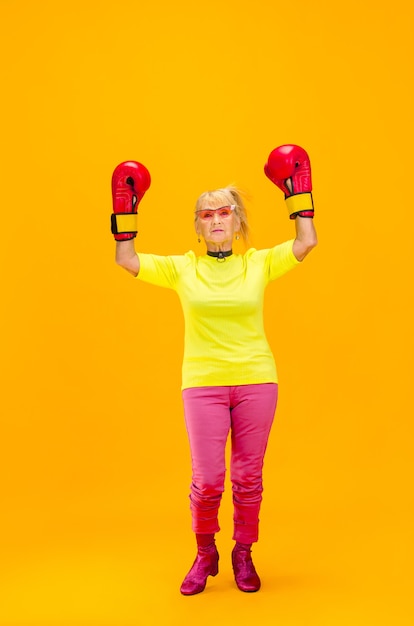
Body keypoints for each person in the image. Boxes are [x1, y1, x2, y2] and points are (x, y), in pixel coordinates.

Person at [111, 145, 318, 595]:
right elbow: (127, 261)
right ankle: (206, 553)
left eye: (225, 212)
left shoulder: (258, 263)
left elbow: (306, 243)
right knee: (207, 481)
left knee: (248, 477)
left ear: (238, 222)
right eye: (207, 215)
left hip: (256, 380)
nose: (217, 220)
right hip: (202, 383)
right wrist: (123, 212)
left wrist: (297, 192)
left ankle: (243, 554)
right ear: (198, 227)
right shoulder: (183, 269)